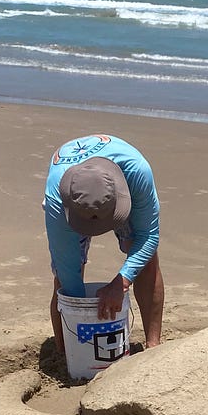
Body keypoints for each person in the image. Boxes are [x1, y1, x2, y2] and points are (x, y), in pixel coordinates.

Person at [43, 134, 165, 358]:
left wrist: (122, 281)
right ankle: (67, 356)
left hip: (121, 184)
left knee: (147, 261)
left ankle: (153, 348)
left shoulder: (137, 172)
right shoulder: (57, 201)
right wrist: (85, 320)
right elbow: (68, 274)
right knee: (65, 281)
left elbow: (149, 236)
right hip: (73, 202)